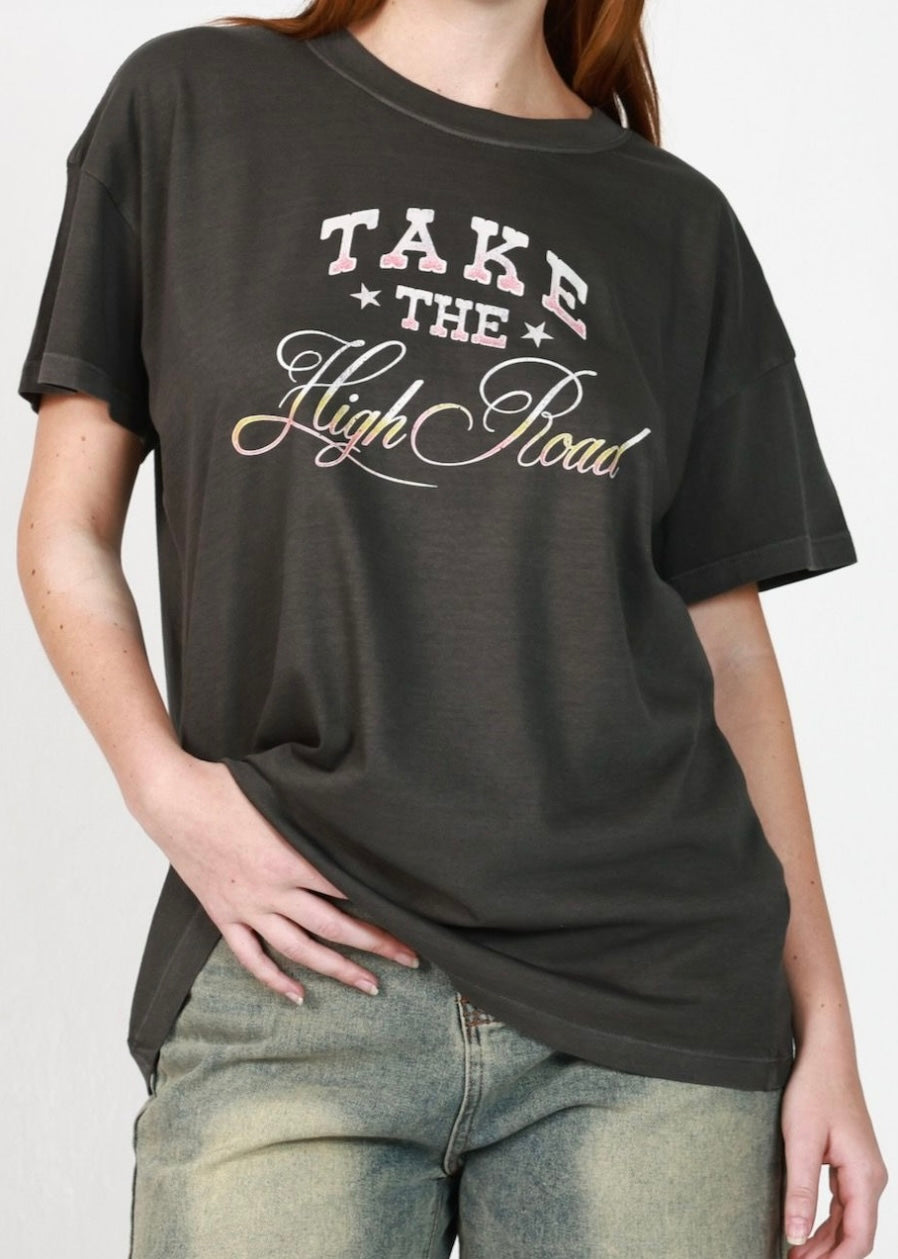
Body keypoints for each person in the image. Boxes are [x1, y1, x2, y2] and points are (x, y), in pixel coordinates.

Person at [15, 0, 888, 1255]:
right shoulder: (191, 105)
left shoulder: (674, 223)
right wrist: (166, 790)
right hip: (297, 972)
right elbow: (65, 527)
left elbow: (731, 655)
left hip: (655, 1015)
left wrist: (828, 1031)